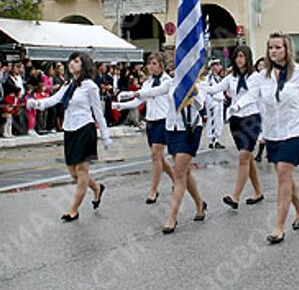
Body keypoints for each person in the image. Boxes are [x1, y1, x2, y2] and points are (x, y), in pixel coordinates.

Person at [231, 31, 299, 244]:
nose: (274, 51)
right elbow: (251, 95)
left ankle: (279, 226)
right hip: (273, 132)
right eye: (271, 47)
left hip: (295, 130)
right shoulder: (261, 75)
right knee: (285, 177)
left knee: (283, 174)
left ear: (287, 50)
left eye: (278, 47)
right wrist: (237, 105)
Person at [119, 62, 208, 234]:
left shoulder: (199, 83)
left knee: (180, 172)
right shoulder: (170, 83)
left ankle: (172, 217)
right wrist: (134, 93)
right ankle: (199, 203)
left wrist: (193, 90)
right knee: (185, 172)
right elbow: (153, 92)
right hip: (172, 128)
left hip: (189, 129)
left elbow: (200, 105)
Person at [29, 53, 111, 222]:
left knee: (82, 171)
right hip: (69, 129)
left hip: (85, 129)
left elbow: (97, 112)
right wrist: (36, 104)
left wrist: (105, 135)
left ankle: (73, 210)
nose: (71, 64)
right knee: (73, 172)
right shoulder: (68, 85)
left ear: (84, 65)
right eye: (71, 61)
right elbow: (54, 100)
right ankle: (97, 188)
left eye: (76, 61)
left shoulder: (90, 86)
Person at [201, 46, 265, 210]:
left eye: (242, 56)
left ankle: (235, 197)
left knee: (243, 157)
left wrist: (237, 105)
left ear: (248, 58)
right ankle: (258, 191)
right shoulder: (231, 78)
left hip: (251, 119)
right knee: (248, 157)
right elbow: (214, 89)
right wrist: (198, 87)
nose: (239, 59)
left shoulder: (256, 77)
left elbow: (253, 96)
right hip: (236, 121)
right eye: (236, 56)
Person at [112, 53, 175, 204]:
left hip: (163, 120)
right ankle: (177, 179)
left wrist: (133, 92)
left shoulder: (168, 81)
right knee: (159, 157)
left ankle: (153, 190)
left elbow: (155, 92)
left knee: (155, 155)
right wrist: (120, 105)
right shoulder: (147, 83)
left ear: (162, 65)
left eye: (154, 63)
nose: (151, 67)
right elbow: (138, 101)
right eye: (149, 64)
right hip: (151, 121)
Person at [205, 59, 226, 149]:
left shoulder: (217, 77)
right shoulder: (209, 78)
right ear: (213, 67)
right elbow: (208, 91)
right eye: (217, 65)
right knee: (213, 121)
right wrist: (210, 103)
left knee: (219, 121)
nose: (219, 67)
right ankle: (213, 141)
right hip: (213, 102)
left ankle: (216, 139)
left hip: (219, 102)